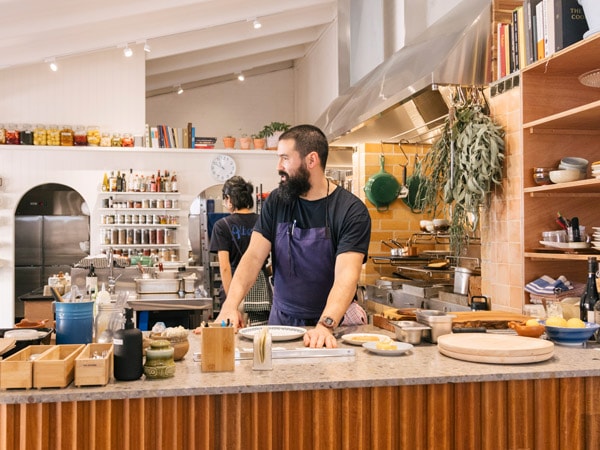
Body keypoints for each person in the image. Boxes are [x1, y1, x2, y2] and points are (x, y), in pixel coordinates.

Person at [214, 124, 371, 348]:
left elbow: (347, 274)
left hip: (333, 323)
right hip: (282, 321)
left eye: (285, 158)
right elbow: (253, 258)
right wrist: (230, 305)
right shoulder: (277, 202)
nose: (279, 166)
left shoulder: (350, 211)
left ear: (311, 160)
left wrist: (326, 325)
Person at [209, 176, 272, 326]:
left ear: (229, 199)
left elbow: (224, 268)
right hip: (261, 291)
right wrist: (263, 273)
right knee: (259, 336)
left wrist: (233, 302)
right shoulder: (263, 221)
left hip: (233, 287)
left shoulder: (221, 226)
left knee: (233, 335)